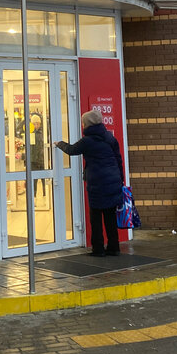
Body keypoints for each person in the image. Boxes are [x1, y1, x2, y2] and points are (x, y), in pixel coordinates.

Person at [54, 109, 124, 257]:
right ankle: (114, 247)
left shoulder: (87, 141)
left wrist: (59, 143)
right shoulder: (109, 137)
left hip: (97, 184)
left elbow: (72, 150)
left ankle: (98, 249)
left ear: (88, 124)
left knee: (96, 217)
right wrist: (120, 179)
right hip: (113, 182)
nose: (82, 124)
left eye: (83, 122)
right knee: (110, 217)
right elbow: (118, 160)